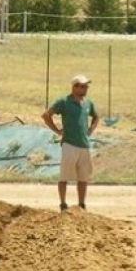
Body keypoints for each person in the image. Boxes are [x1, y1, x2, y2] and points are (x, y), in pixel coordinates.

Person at [42, 74, 100, 212]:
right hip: (69, 144)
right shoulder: (64, 102)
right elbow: (46, 115)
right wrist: (57, 131)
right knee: (64, 176)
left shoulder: (88, 103)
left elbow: (96, 116)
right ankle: (63, 203)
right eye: (83, 86)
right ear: (75, 87)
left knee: (83, 176)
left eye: (87, 86)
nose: (86, 89)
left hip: (84, 145)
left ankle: (82, 204)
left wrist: (91, 129)